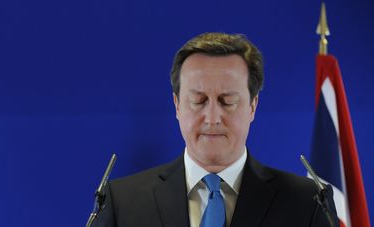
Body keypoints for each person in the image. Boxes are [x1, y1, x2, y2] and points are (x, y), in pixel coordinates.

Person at [92, 32, 338, 227]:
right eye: (198, 101)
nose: (212, 117)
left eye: (227, 101)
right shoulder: (124, 203)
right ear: (177, 105)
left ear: (253, 106)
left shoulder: (305, 202)